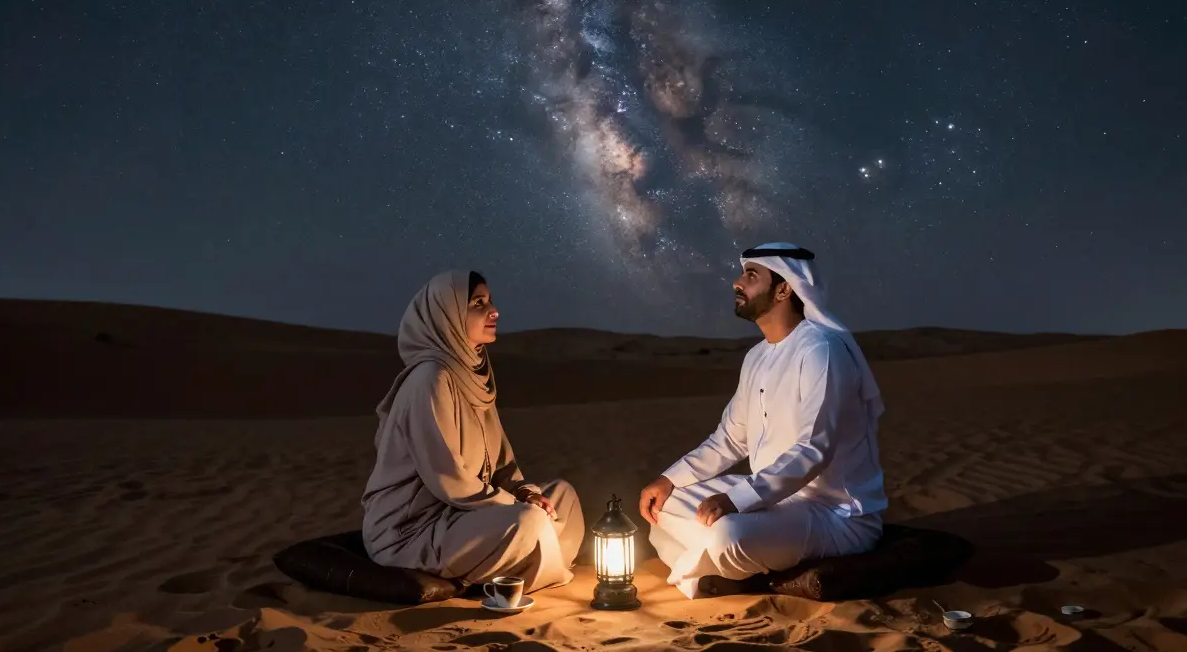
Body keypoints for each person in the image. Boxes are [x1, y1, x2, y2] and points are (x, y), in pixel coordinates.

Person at [638, 242, 887, 599]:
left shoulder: (822, 350)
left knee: (727, 536)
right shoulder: (756, 357)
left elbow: (813, 448)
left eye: (751, 276)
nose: (737, 283)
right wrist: (669, 479)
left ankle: (711, 569)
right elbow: (730, 439)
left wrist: (737, 499)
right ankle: (714, 568)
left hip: (833, 515)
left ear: (784, 289)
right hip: (771, 502)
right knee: (663, 507)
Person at [361, 270, 584, 592]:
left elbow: (502, 464)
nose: (494, 312)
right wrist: (516, 506)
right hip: (414, 531)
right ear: (447, 314)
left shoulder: (472, 375)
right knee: (529, 521)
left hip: (468, 515)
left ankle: (523, 562)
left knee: (562, 496)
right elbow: (447, 479)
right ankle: (525, 565)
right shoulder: (431, 378)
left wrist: (527, 493)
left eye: (490, 302)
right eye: (478, 303)